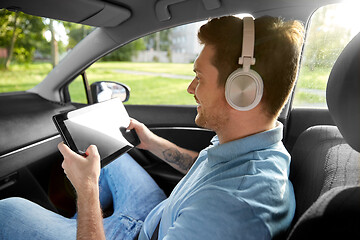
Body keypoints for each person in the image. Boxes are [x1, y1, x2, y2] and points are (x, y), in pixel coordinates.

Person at [0, 16, 304, 239]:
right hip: (158, 215)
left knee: (8, 209)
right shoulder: (257, 145)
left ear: (243, 91)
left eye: (199, 76)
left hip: (148, 232)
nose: (190, 88)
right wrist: (153, 142)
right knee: (107, 153)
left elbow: (218, 200)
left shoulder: (229, 212)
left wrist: (87, 189)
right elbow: (207, 170)